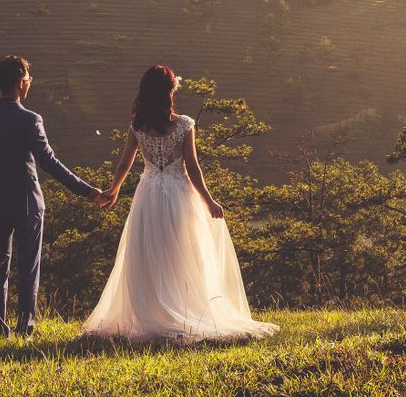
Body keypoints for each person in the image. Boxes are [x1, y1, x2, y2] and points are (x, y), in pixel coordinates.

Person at [82, 64, 278, 342]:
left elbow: (125, 161)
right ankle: (183, 308)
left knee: (150, 252)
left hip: (148, 194)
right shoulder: (184, 124)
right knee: (182, 252)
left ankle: (153, 311)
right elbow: (192, 167)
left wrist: (114, 189)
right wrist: (208, 200)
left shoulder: (138, 126)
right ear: (169, 92)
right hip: (178, 194)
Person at [0, 55, 109, 339]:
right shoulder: (30, 119)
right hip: (27, 204)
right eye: (28, 80)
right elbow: (50, 163)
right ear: (22, 83)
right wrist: (88, 191)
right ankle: (25, 328)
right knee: (28, 268)